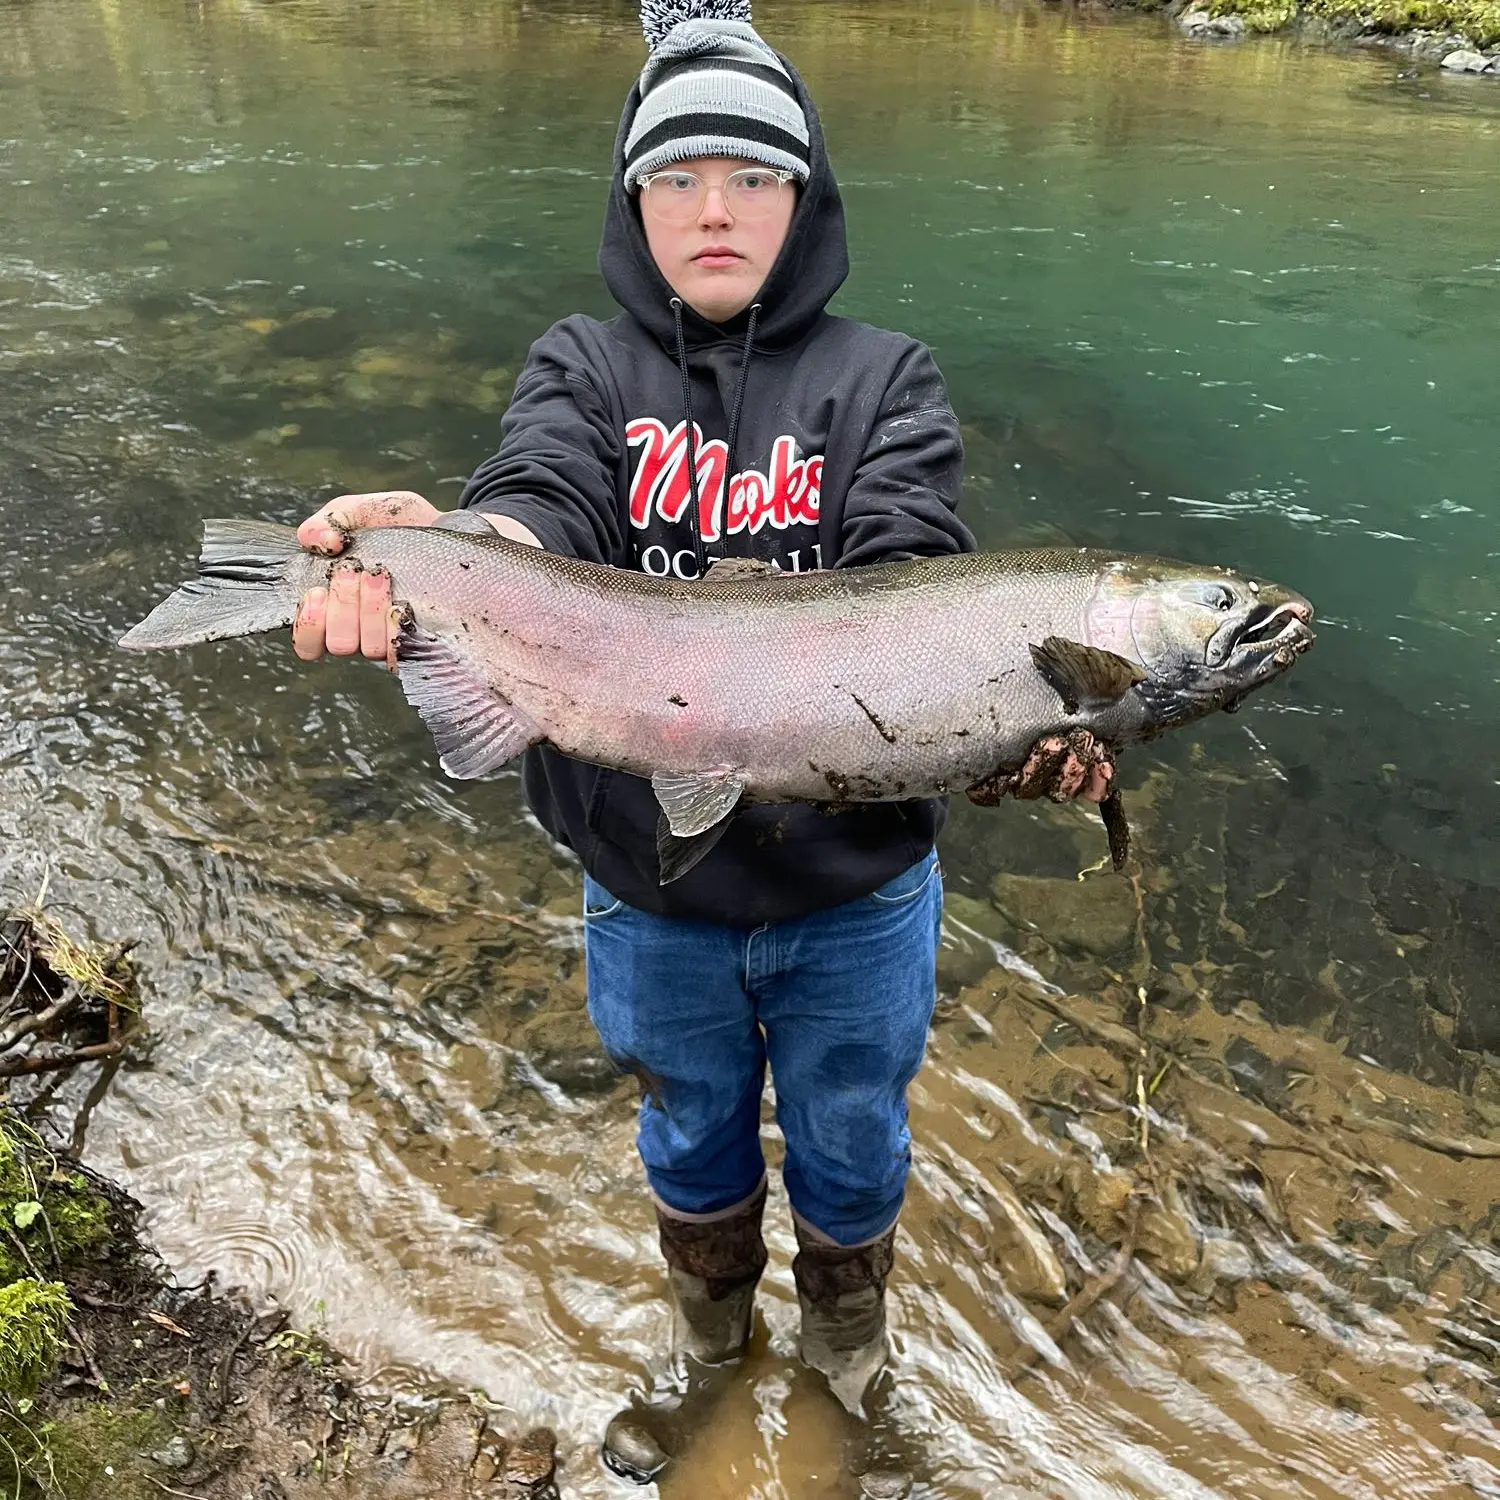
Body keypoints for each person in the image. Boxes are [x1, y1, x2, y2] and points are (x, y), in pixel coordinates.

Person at [290, 2, 1108, 1489]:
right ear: (633, 202)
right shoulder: (584, 368)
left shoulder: (887, 380)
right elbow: (536, 498)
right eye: (675, 177)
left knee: (855, 1134)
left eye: (752, 175)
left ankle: (849, 1355)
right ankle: (708, 1354)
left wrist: (1020, 724)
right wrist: (451, 554)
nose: (714, 208)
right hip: (645, 886)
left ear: (807, 200)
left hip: (856, 893)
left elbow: (918, 559)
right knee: (688, 1131)